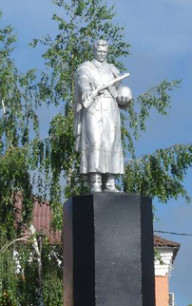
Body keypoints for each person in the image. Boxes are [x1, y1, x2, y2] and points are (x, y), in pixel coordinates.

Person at [74, 39, 132, 193]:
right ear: (94, 51)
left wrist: (125, 97)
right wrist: (87, 90)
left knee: (111, 141)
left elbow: (120, 90)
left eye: (104, 51)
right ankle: (96, 181)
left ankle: (111, 182)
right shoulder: (86, 67)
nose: (102, 54)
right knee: (95, 141)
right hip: (93, 107)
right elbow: (83, 81)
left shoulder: (113, 69)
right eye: (99, 51)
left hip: (110, 108)